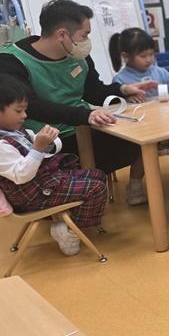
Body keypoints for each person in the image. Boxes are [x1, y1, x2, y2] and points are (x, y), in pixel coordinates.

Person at [0, 0, 152, 174]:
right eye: (84, 35)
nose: (87, 41)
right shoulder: (11, 60)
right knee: (121, 149)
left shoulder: (77, 53)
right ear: (62, 35)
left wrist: (123, 90)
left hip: (84, 127)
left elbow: (93, 92)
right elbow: (32, 106)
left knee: (139, 138)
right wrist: (85, 115)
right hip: (45, 142)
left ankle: (128, 185)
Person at [0, 74, 107, 256]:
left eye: (24, 110)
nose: (24, 115)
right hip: (30, 195)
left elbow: (42, 151)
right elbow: (21, 175)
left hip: (41, 182)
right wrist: (38, 147)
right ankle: (71, 232)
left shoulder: (15, 132)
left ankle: (65, 220)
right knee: (95, 189)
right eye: (18, 111)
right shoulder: (2, 145)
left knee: (98, 175)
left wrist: (48, 142)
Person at [110, 27, 169, 201]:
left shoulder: (160, 72)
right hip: (142, 130)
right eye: (143, 56)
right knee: (144, 148)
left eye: (151, 54)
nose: (149, 59)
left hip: (168, 124)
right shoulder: (120, 80)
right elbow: (117, 106)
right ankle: (135, 184)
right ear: (126, 56)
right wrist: (127, 98)